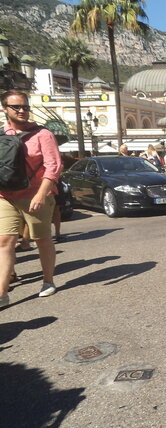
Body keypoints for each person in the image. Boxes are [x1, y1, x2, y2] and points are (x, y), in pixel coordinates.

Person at [0, 90, 63, 307]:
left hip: (35, 194)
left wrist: (41, 193)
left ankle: (48, 281)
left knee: (42, 239)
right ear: (4, 109)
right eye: (16, 107)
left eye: (25, 107)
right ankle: (2, 293)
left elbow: (53, 166)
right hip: (5, 195)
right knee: (4, 241)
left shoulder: (42, 134)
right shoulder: (2, 134)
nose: (22, 111)